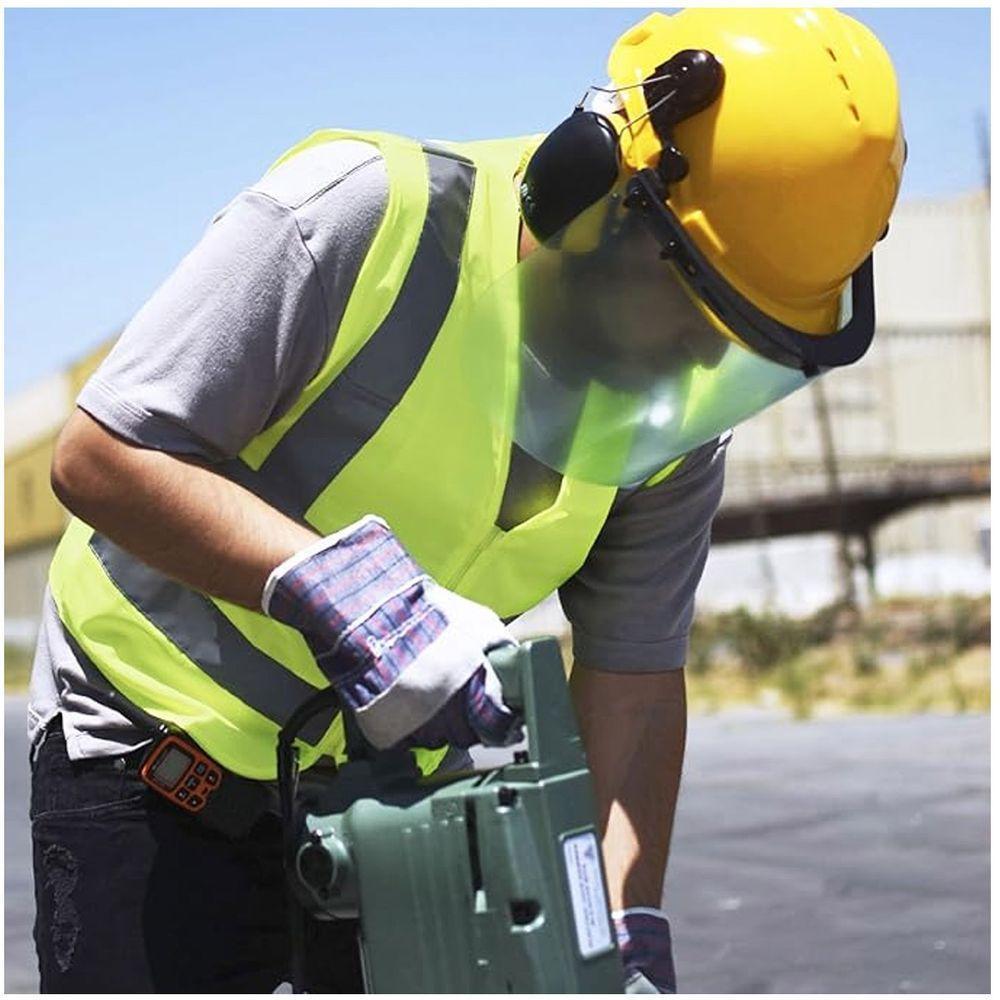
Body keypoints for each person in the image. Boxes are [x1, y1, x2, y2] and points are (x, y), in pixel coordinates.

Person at [28, 7, 903, 993]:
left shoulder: (672, 419)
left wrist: (625, 918)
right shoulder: (362, 217)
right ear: (592, 190)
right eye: (690, 306)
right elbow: (102, 454)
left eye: (734, 340)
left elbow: (636, 677)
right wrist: (341, 591)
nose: (699, 361)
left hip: (397, 806)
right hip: (152, 762)